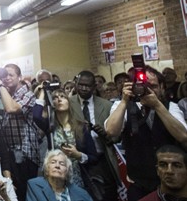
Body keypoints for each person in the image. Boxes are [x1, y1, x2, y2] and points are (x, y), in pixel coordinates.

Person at [105, 65, 187, 200]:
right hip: (138, 183)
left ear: (162, 88)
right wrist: (125, 100)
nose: (148, 91)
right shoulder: (123, 106)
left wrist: (157, 105)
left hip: (170, 182)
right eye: (144, 86)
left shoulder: (171, 107)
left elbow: (183, 136)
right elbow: (111, 131)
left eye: (153, 86)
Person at [32, 88, 98, 191]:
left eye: (62, 97)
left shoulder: (81, 127)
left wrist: (78, 155)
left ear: (69, 101)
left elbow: (94, 157)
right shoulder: (50, 126)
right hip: (56, 178)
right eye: (55, 98)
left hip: (78, 179)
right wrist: (43, 92)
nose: (59, 99)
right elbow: (36, 115)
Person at [70, 70, 120, 201]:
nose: (83, 88)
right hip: (77, 158)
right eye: (80, 85)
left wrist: (105, 134)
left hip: (102, 158)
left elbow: (117, 136)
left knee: (107, 194)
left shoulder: (106, 105)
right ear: (76, 84)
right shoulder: (69, 103)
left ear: (94, 87)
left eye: (87, 86)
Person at [0, 64, 39, 201]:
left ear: (19, 77)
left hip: (25, 154)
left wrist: (0, 85)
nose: (7, 78)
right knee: (11, 193)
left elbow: (11, 108)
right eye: (4, 75)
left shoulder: (28, 94)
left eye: (11, 75)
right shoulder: (5, 94)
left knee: (24, 194)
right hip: (9, 154)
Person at [26, 150, 93, 201]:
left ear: (67, 171)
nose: (57, 166)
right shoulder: (35, 185)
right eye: (53, 162)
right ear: (47, 169)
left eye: (62, 163)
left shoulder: (82, 194)